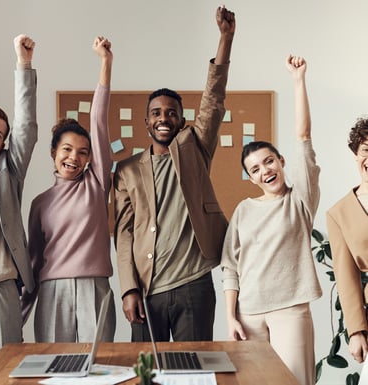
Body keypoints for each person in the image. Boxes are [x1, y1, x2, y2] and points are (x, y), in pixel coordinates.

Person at [113, 6, 235, 342]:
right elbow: (123, 235)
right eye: (156, 113)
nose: (163, 117)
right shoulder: (126, 170)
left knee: (192, 371)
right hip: (147, 288)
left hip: (193, 284)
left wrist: (226, 39)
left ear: (181, 121)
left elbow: (213, 99)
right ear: (147, 122)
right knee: (145, 371)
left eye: (171, 113)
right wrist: (128, 290)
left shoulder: (195, 148)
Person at [221, 55, 322, 385]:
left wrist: (298, 81)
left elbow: (304, 137)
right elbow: (230, 267)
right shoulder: (243, 211)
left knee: (294, 382)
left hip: (290, 311)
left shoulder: (299, 201)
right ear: (250, 177)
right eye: (255, 169)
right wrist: (231, 316)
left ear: (281, 161)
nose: (265, 171)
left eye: (269, 161)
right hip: (248, 315)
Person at [21, 36, 116, 342]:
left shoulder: (97, 183)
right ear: (53, 152)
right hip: (52, 292)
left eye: (83, 152)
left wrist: (105, 63)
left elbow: (98, 121)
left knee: (100, 367)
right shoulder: (40, 203)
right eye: (66, 149)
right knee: (53, 368)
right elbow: (34, 262)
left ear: (90, 158)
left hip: (95, 288)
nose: (74, 157)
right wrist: (18, 316)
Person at [0, 34, 37, 353]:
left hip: (1, 287)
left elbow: (25, 128)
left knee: (5, 366)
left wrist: (23, 64)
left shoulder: (8, 170)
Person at [326, 118, 368, 364]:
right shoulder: (338, 213)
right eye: (366, 150)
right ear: (356, 154)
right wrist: (356, 331)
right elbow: (345, 275)